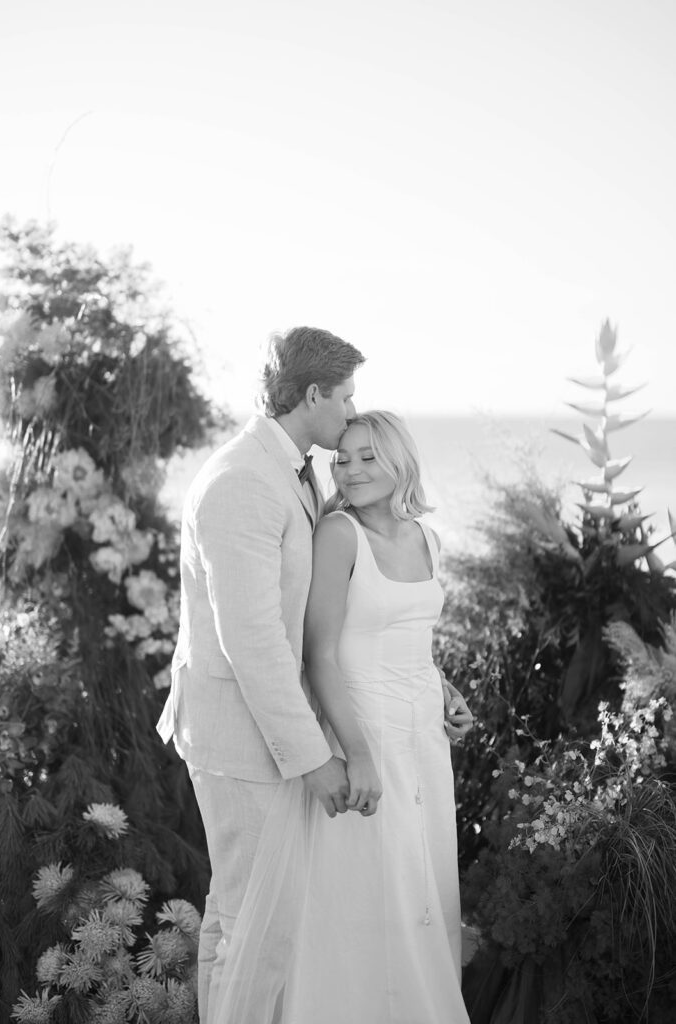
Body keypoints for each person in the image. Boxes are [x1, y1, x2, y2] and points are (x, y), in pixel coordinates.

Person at [213, 410, 473, 1024]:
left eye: (365, 457)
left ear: (400, 461)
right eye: (342, 458)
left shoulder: (427, 540)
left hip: (424, 745)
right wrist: (357, 753)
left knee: (421, 889)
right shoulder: (338, 534)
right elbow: (322, 654)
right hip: (364, 729)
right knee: (362, 897)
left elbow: (412, 640)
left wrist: (447, 693)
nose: (350, 470)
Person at [155, 326, 366, 1024]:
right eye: (345, 397)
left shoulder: (283, 467)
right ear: (311, 394)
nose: (351, 412)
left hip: (251, 732)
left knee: (237, 916)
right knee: (259, 928)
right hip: (242, 739)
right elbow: (251, 640)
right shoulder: (242, 480)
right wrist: (311, 756)